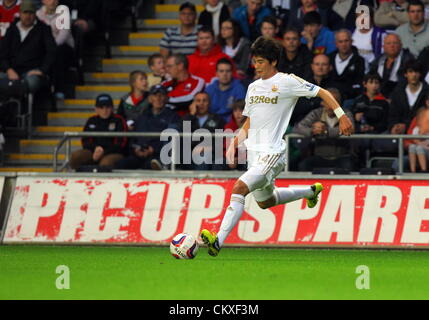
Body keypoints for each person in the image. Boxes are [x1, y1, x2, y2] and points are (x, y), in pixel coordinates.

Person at [200, 36, 354, 257]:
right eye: (254, 61)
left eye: (261, 61)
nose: (256, 65)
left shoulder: (287, 82)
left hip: (272, 153)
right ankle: (310, 191)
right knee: (265, 202)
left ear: (273, 61)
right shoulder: (253, 87)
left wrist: (342, 116)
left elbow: (323, 92)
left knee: (239, 189)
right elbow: (250, 121)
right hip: (254, 153)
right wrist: (233, 144)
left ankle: (217, 240)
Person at [115, 85, 180, 171]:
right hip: (139, 154)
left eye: (161, 95)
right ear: (149, 99)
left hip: (158, 156)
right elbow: (133, 137)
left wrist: (153, 149)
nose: (158, 98)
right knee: (120, 165)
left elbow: (171, 140)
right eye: (155, 95)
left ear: (167, 98)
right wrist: (135, 149)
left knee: (152, 165)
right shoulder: (142, 116)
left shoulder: (173, 117)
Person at [0, 0, 56, 95]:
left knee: (31, 83)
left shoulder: (44, 29)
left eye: (31, 13)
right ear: (20, 14)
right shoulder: (12, 29)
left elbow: (51, 52)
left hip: (32, 72)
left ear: (35, 14)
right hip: (11, 71)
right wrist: (9, 70)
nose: (28, 16)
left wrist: (42, 70)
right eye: (25, 13)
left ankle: (24, 108)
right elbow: (2, 54)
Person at [293, 87, 355, 172]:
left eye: (335, 101)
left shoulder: (345, 113)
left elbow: (350, 128)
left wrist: (326, 132)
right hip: (320, 156)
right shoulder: (316, 113)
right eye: (329, 100)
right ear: (323, 102)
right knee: (304, 165)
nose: (331, 104)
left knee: (350, 165)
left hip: (341, 156)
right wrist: (312, 131)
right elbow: (298, 127)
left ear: (339, 103)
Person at [70, 94, 127, 170]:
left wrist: (104, 151)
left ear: (112, 108)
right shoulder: (91, 120)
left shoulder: (119, 120)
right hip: (93, 151)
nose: (104, 110)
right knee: (76, 156)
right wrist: (96, 150)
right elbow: (85, 140)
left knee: (105, 163)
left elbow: (121, 144)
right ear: (96, 109)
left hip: (113, 152)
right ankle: (77, 180)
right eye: (101, 107)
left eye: (107, 107)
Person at [37, 0, 75, 99]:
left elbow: (63, 36)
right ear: (43, 1)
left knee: (57, 54)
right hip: (45, 49)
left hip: (64, 48)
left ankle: (59, 89)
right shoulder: (38, 15)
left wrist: (50, 48)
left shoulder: (64, 14)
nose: (52, 1)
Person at [182, 92, 225, 170]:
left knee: (203, 157)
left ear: (209, 103)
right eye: (198, 101)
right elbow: (182, 136)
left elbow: (221, 141)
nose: (201, 103)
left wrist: (209, 148)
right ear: (193, 104)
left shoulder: (218, 119)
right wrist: (191, 114)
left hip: (210, 154)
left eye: (204, 101)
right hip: (188, 156)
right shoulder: (188, 118)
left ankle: (201, 181)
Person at [388, 59, 429, 133]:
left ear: (420, 74)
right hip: (398, 132)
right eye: (410, 72)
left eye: (416, 72)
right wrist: (394, 127)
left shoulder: (427, 92)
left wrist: (406, 126)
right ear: (405, 74)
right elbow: (392, 114)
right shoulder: (398, 92)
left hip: (421, 132)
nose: (414, 75)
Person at [369, 33, 414, 97]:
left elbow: (407, 83)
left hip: (399, 96)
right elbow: (370, 76)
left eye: (395, 43)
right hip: (378, 94)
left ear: (401, 45)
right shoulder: (379, 59)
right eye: (388, 43)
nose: (392, 46)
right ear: (383, 47)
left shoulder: (408, 60)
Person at [329, 29, 366, 103]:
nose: (344, 44)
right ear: (336, 44)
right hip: (329, 98)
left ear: (351, 41)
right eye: (340, 41)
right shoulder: (329, 59)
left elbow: (360, 84)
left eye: (346, 41)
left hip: (350, 100)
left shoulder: (360, 61)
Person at [205, 58, 246, 122]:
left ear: (232, 73)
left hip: (231, 124)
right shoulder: (210, 89)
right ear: (216, 74)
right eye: (221, 71)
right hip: (211, 122)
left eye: (228, 71)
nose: (225, 74)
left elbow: (240, 111)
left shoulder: (239, 88)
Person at [352, 6, 387, 70]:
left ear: (371, 18)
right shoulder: (351, 33)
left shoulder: (380, 34)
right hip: (354, 66)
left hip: (373, 67)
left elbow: (383, 56)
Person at [405, 107, 429, 172]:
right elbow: (415, 140)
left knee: (419, 148)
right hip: (422, 149)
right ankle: (413, 170)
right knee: (412, 147)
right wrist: (421, 134)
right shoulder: (416, 129)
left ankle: (424, 170)